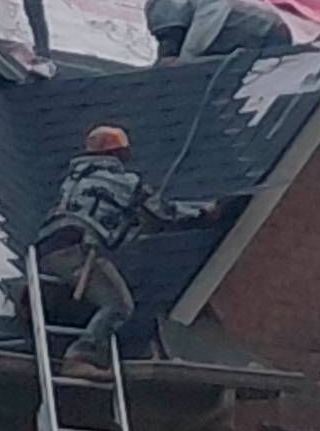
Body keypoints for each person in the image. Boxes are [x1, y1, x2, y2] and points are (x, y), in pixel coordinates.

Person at [33, 125, 218, 380]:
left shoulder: (74, 180)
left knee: (91, 297)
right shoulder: (124, 182)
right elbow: (161, 212)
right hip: (77, 250)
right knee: (119, 305)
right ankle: (80, 357)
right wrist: (204, 212)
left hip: (46, 252)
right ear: (119, 155)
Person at [144, 0, 292, 66]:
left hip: (269, 35)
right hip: (245, 46)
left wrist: (178, 61)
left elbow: (192, 51)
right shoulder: (189, 21)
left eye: (169, 35)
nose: (168, 41)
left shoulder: (209, 1)